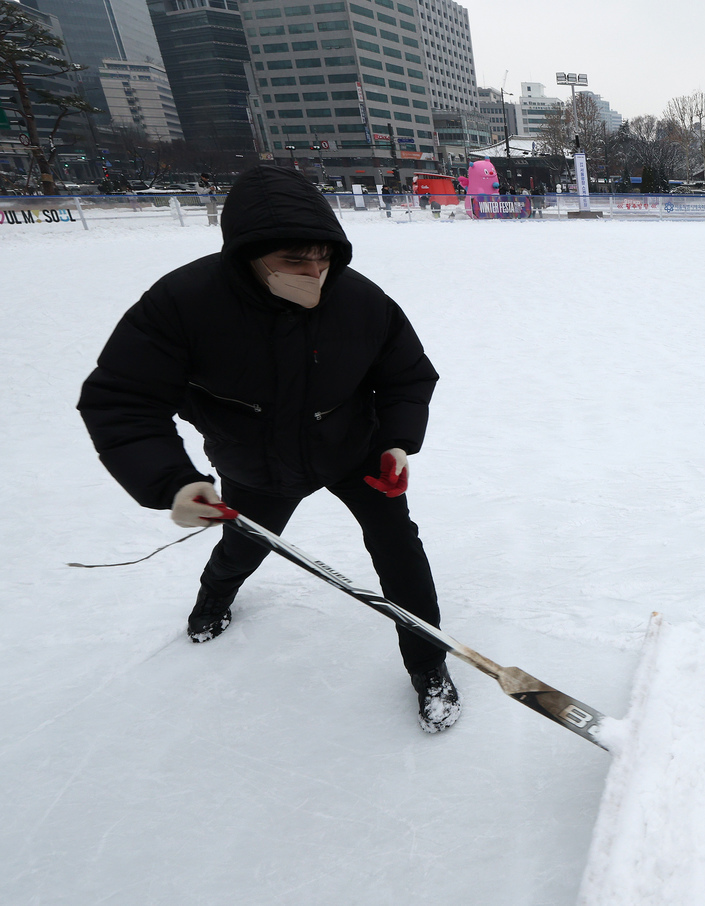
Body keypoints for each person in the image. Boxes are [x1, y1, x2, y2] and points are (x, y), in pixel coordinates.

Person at [77, 165, 460, 734]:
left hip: (354, 451)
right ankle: (213, 598)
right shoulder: (182, 304)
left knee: (400, 553)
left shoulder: (360, 300)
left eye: (323, 260)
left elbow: (406, 376)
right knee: (245, 545)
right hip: (256, 460)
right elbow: (121, 401)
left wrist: (397, 441)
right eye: (294, 262)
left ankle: (429, 664)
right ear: (248, 254)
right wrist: (171, 481)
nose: (315, 274)